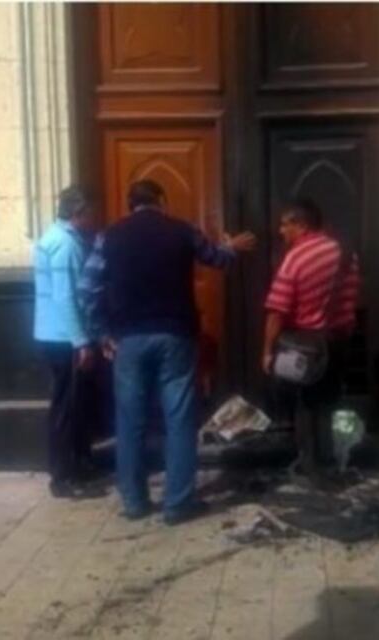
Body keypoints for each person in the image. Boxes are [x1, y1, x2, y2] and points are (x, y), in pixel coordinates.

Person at [78, 180, 256, 525]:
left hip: (128, 339)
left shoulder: (109, 236)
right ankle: (178, 503)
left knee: (130, 421)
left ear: (130, 205)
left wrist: (101, 334)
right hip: (175, 335)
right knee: (179, 420)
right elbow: (215, 258)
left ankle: (134, 502)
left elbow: (87, 289)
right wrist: (231, 246)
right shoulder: (182, 230)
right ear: (161, 200)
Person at [262, 198, 361, 478]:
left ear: (300, 225)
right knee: (329, 400)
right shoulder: (346, 252)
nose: (281, 231)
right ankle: (329, 461)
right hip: (339, 340)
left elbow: (277, 310)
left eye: (284, 224)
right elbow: (352, 297)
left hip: (306, 345)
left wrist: (267, 351)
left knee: (306, 403)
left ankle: (311, 465)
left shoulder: (296, 257)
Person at [33, 186, 99, 499]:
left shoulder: (56, 238)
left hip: (54, 334)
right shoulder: (65, 245)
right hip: (63, 338)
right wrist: (81, 342)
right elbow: (65, 296)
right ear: (78, 213)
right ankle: (63, 476)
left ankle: (78, 465)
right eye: (90, 213)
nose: (94, 218)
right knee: (67, 409)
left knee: (73, 406)